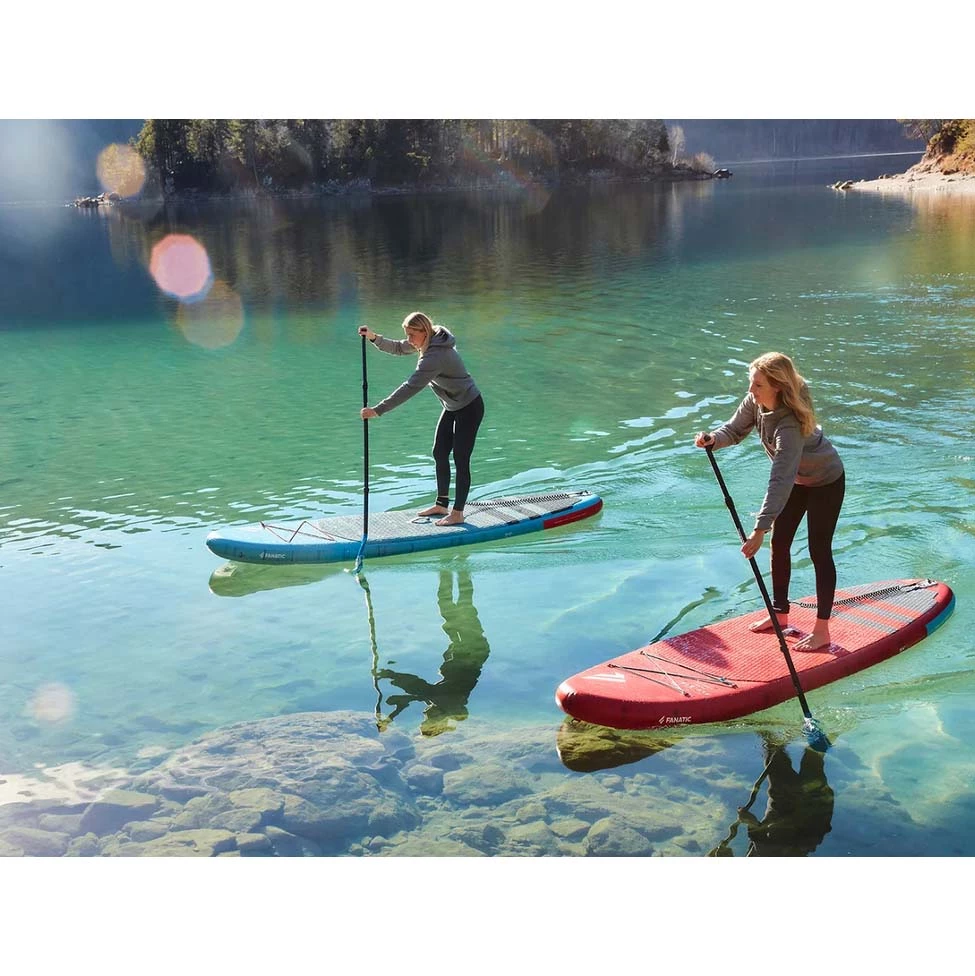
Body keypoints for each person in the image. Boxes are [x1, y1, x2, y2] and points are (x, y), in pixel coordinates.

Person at [694, 352, 845, 651]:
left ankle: (822, 631)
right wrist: (713, 439)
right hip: (797, 481)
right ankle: (780, 614)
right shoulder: (756, 401)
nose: (751, 390)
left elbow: (780, 479)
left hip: (825, 481)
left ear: (777, 386)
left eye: (758, 384)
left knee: (818, 550)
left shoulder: (789, 427)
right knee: (780, 543)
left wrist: (759, 528)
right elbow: (734, 429)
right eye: (751, 382)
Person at [358, 312, 484, 526]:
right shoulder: (427, 341)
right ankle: (442, 504)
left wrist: (378, 410)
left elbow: (410, 387)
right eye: (407, 334)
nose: (409, 340)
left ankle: (458, 513)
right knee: (439, 452)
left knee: (461, 458)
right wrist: (373, 337)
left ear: (424, 331)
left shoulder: (434, 356)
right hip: (452, 406)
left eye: (412, 335)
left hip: (469, 407)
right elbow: (399, 347)